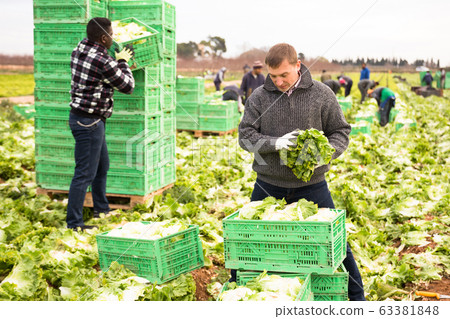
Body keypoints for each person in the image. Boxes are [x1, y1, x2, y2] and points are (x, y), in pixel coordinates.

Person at [238, 43, 366, 301]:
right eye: (273, 76)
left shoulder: (321, 94)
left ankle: (358, 300)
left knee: (336, 244)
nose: (279, 81)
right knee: (249, 243)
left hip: (312, 185)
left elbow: (340, 131)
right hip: (268, 185)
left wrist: (326, 152)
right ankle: (240, 293)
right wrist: (276, 143)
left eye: (284, 75)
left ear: (298, 65)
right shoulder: (260, 97)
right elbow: (246, 136)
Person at [67, 17, 135, 231]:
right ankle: (75, 224)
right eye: (112, 35)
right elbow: (127, 86)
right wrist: (122, 61)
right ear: (104, 38)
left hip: (85, 118)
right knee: (84, 173)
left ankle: (101, 210)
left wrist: (114, 61)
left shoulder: (80, 48)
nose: (113, 38)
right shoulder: (103, 61)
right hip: (90, 122)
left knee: (101, 166)